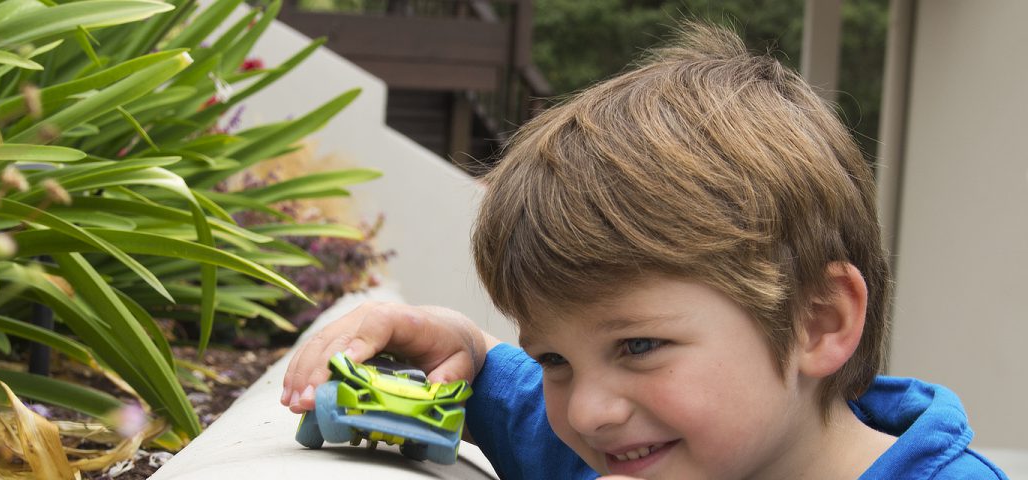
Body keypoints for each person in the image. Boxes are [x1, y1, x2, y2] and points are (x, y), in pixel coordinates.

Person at [279, 23, 1008, 480]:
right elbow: (518, 406)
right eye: (554, 360)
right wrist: (461, 344)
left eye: (637, 345)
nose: (589, 411)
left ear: (819, 320)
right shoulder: (630, 446)